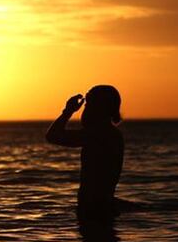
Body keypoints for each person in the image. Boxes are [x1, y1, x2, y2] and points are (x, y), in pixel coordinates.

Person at [45, 85, 127, 223]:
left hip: (95, 209)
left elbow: (53, 136)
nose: (86, 107)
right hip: (99, 206)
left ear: (99, 107)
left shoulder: (100, 134)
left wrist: (67, 112)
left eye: (89, 102)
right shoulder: (110, 134)